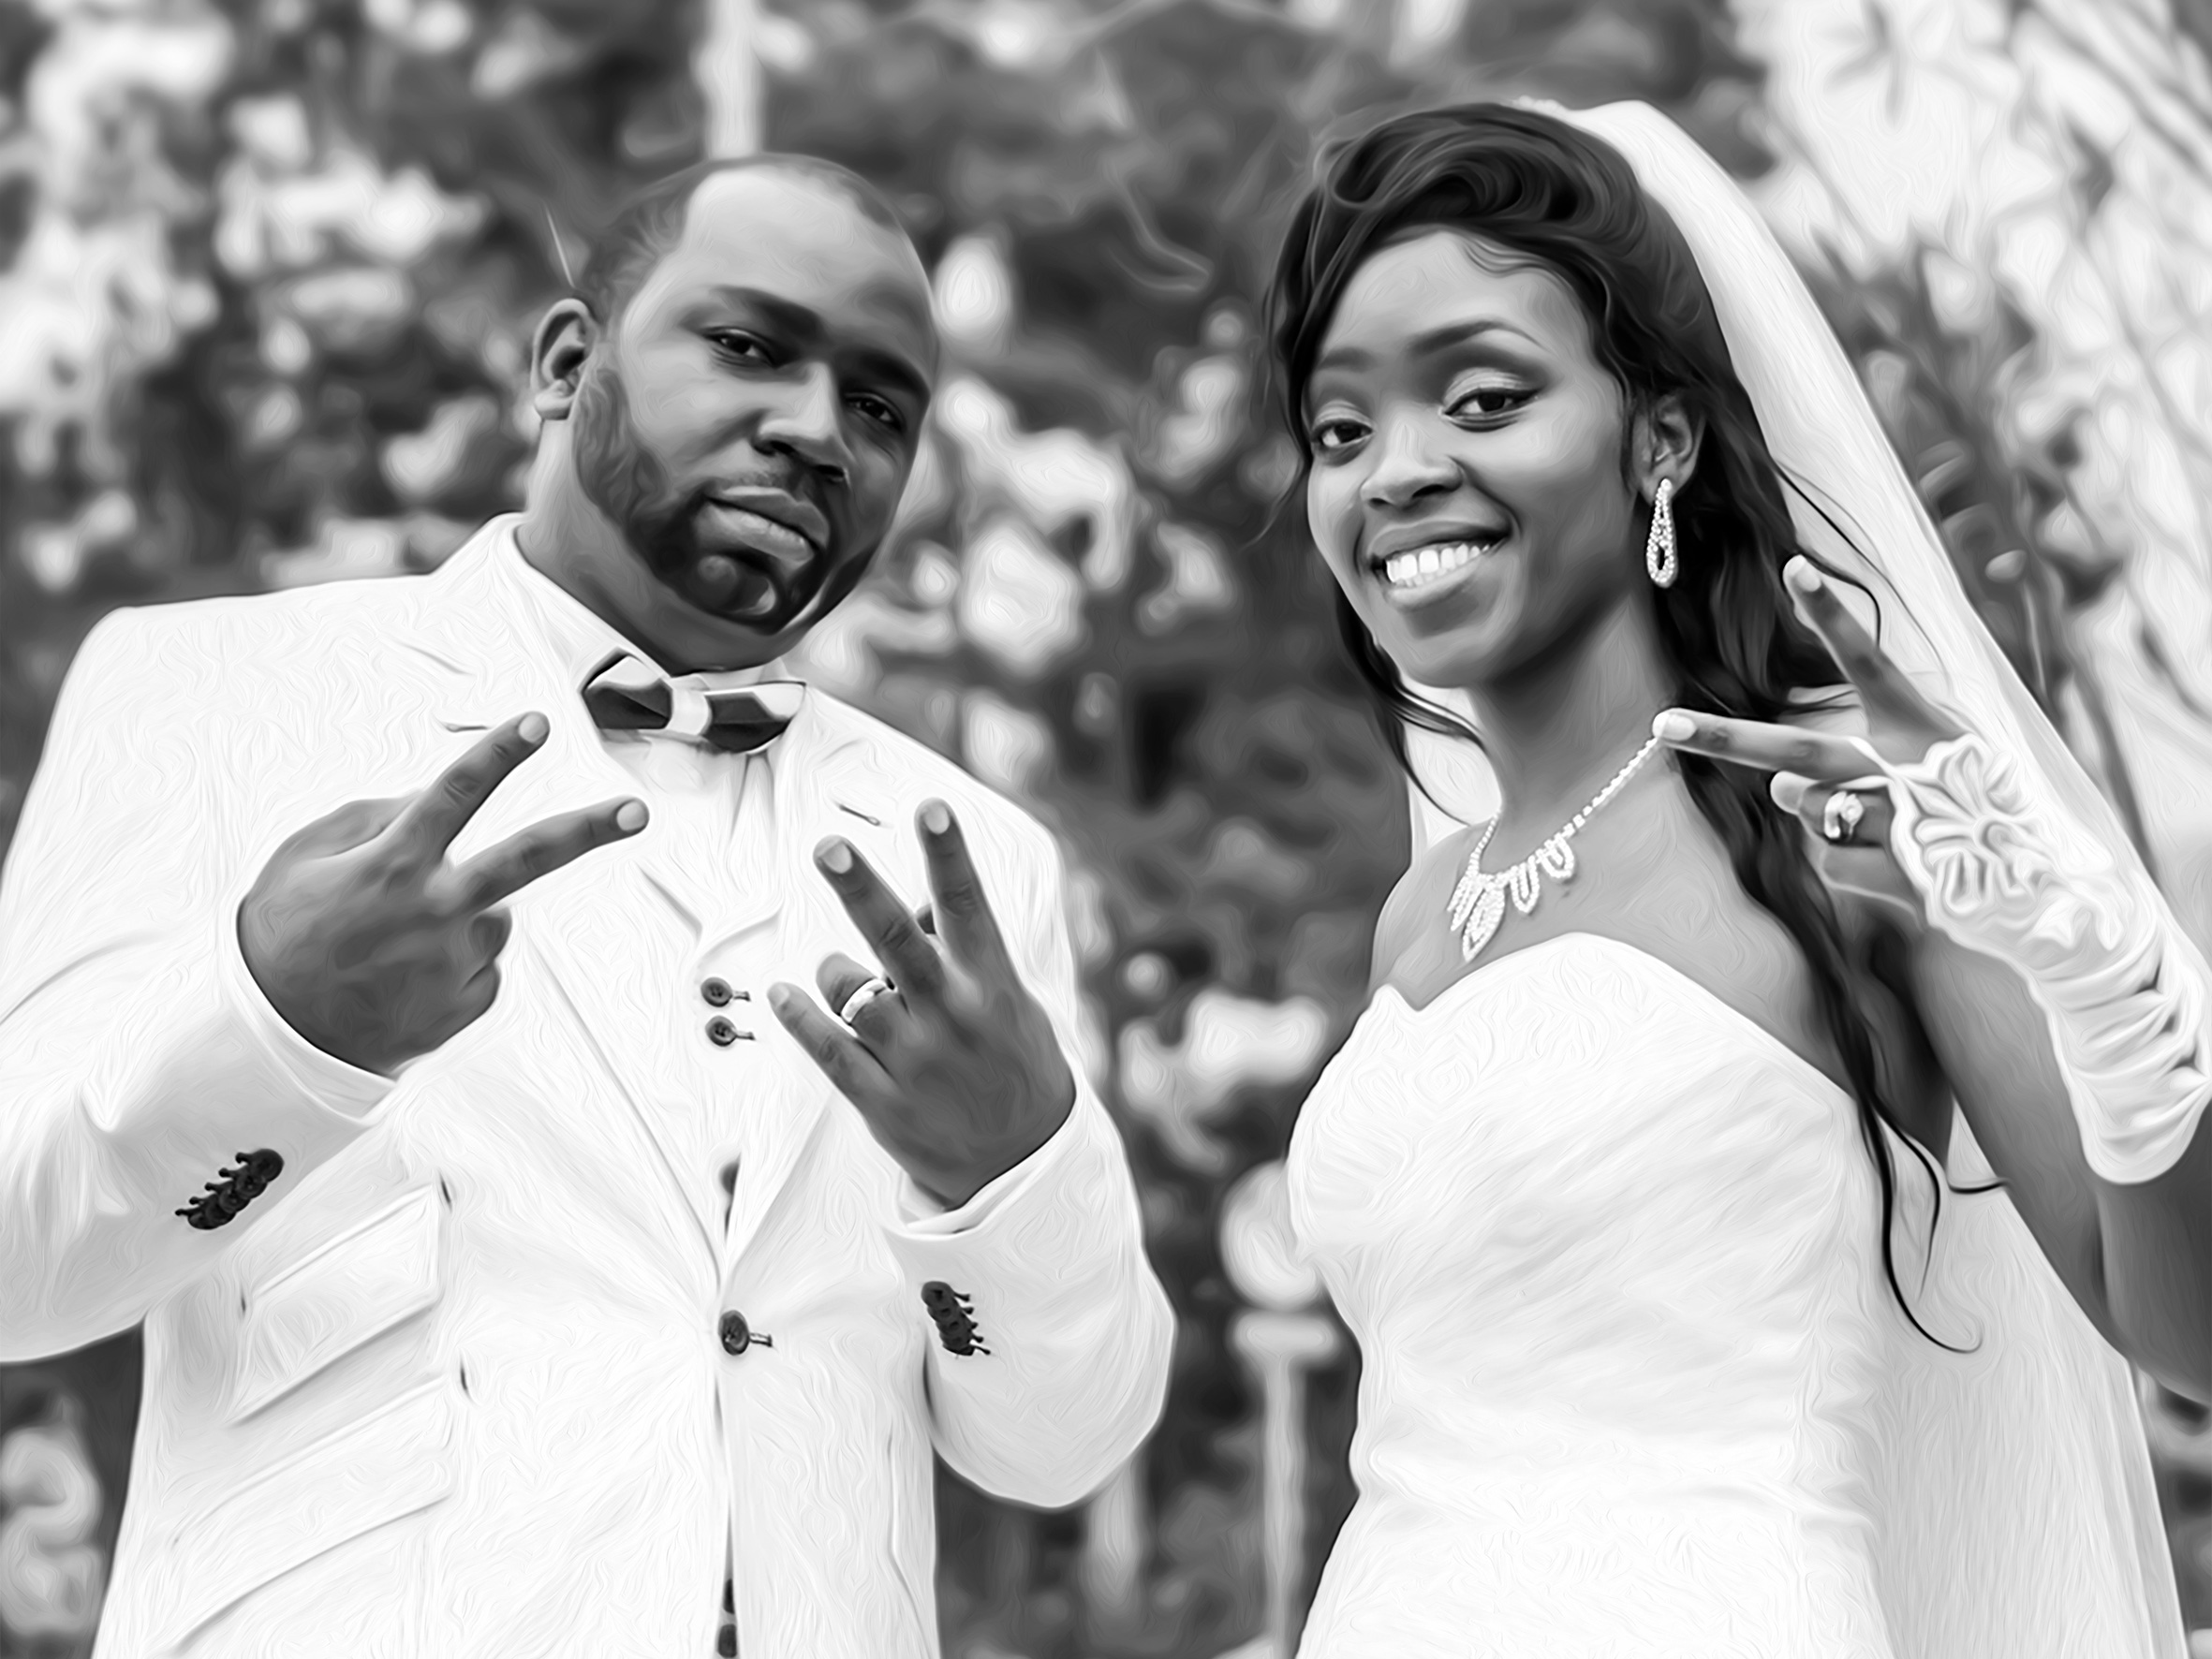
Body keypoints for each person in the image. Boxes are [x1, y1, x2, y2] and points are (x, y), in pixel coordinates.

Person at [0, 154, 1172, 1659]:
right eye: (748, 346)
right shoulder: (212, 692)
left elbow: (1063, 1445)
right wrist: (279, 1032)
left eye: (881, 409)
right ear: (566, 364)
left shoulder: (975, 860)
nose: (819, 432)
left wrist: (1008, 1172)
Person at [1266, 99, 2210, 1656]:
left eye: (1483, 397)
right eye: (1339, 430)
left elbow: (2186, 1335)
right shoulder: (1417, 918)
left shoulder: (1856, 830)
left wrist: (2095, 983)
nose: (1397, 471)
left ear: (1661, 436)